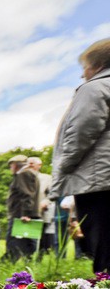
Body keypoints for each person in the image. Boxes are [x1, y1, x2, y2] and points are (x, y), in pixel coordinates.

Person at [50, 38, 110, 273]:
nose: (82, 75)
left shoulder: (94, 88)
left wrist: (64, 166)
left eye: (84, 67)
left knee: (104, 245)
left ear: (96, 65)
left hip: (99, 182)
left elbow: (81, 132)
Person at [5, 155, 40, 261]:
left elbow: (27, 195)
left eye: (11, 166)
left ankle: (9, 262)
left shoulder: (23, 174)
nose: (10, 169)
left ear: (15, 165)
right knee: (26, 240)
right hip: (25, 212)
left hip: (20, 213)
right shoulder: (29, 174)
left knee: (13, 240)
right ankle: (28, 261)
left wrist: (26, 213)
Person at [28, 157, 55, 255]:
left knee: (41, 237)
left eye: (32, 163)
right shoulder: (22, 178)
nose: (30, 165)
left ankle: (39, 257)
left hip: (41, 212)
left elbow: (52, 194)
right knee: (26, 237)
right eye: (28, 163)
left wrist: (46, 201)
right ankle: (28, 257)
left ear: (39, 166)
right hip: (26, 212)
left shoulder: (47, 178)